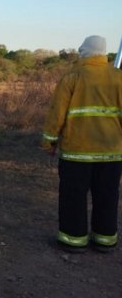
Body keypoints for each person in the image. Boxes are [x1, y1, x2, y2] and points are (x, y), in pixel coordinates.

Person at [42, 35, 122, 253]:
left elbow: (57, 113)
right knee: (108, 195)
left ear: (84, 51)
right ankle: (105, 240)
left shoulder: (72, 77)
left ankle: (73, 239)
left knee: (73, 196)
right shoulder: (118, 77)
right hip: (112, 153)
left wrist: (49, 142)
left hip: (77, 153)